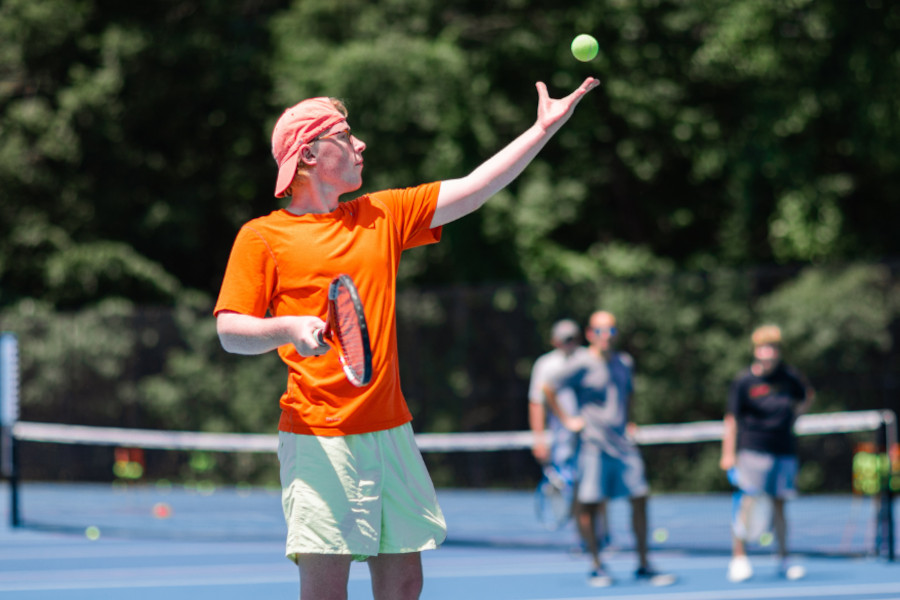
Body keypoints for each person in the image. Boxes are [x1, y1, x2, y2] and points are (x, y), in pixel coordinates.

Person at [213, 77, 599, 600]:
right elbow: (230, 331)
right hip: (319, 438)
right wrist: (289, 328)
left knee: (405, 586)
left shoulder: (381, 214)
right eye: (345, 136)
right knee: (326, 592)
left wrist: (541, 130)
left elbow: (476, 186)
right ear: (308, 154)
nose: (360, 144)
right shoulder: (262, 237)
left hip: (391, 430)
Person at [543, 310, 675, 588]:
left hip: (624, 447)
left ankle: (643, 564)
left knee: (640, 499)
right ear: (590, 334)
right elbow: (548, 387)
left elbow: (628, 394)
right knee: (589, 506)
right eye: (601, 331)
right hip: (592, 446)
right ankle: (596, 565)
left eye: (612, 330)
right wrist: (568, 420)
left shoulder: (624, 363)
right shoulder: (580, 363)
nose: (607, 336)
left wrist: (629, 420)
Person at [719, 324, 814, 583]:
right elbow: (732, 419)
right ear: (756, 350)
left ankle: (783, 559)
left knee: (780, 507)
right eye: (764, 347)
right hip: (752, 451)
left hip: (784, 450)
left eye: (773, 348)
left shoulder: (789, 377)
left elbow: (807, 396)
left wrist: (795, 415)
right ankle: (739, 559)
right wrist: (728, 454)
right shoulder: (744, 381)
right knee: (747, 505)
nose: (768, 353)